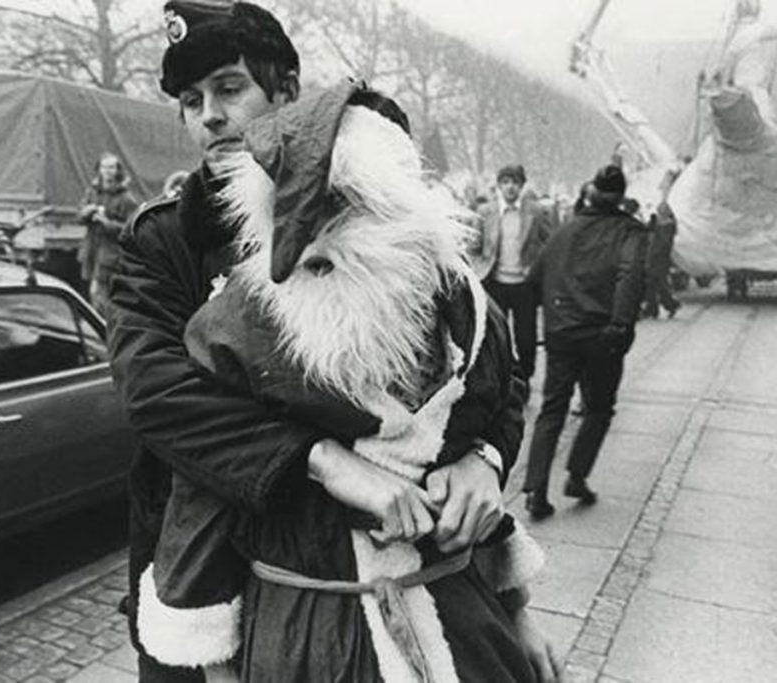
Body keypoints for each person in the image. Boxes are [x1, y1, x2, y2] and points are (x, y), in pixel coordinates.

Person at [105, 3, 553, 681]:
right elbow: (158, 396)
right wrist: (322, 460)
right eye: (191, 102)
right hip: (210, 578)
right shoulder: (163, 240)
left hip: (412, 579)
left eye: (229, 88)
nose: (211, 117)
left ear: (287, 91)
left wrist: (484, 460)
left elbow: (490, 373)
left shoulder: (380, 215)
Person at [521, 165, 648, 519]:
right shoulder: (630, 231)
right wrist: (621, 325)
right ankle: (577, 476)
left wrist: (553, 315)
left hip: (562, 333)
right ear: (621, 197)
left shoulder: (566, 229)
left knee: (552, 409)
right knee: (599, 408)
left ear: (591, 193)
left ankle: (534, 489)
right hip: (602, 335)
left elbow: (534, 280)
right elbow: (631, 276)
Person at [468, 164, 552, 379]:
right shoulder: (486, 212)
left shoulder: (536, 212)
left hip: (525, 284)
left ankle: (525, 378)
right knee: (496, 337)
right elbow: (474, 247)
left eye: (515, 182)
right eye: (505, 182)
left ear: (522, 186)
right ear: (499, 185)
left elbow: (549, 244)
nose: (510, 187)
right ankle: (501, 379)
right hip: (495, 282)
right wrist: (480, 270)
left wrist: (536, 268)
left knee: (526, 339)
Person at [78, 152, 138, 313]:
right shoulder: (92, 192)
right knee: (90, 294)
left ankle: (103, 325)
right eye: (104, 167)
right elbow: (79, 218)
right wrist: (87, 212)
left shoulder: (125, 197)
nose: (107, 171)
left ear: (118, 170)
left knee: (100, 296)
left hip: (110, 254)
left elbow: (131, 229)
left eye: (112, 167)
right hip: (91, 250)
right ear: (99, 169)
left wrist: (107, 223)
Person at [641, 171, 682, 319]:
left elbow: (661, 244)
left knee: (657, 282)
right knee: (653, 283)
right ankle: (653, 307)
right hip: (655, 257)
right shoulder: (661, 223)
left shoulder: (667, 225)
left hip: (658, 258)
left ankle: (668, 304)